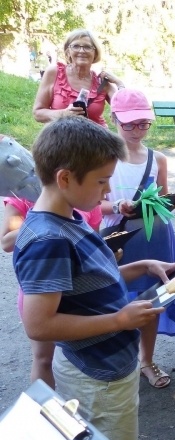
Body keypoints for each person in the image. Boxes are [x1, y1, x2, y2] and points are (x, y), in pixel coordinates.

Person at [13, 116, 175, 440]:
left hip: (104, 365)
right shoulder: (49, 239)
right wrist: (119, 320)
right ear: (64, 178)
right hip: (97, 377)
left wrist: (142, 266)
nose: (107, 190)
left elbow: (90, 278)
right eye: (102, 181)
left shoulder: (68, 219)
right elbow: (39, 325)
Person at [101, 88, 175, 389]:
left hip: (155, 234)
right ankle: (115, 363)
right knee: (111, 299)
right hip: (117, 236)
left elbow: (164, 197)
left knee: (150, 300)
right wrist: (116, 206)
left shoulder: (157, 158)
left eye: (143, 124)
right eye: (130, 124)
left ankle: (147, 361)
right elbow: (87, 202)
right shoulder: (103, 157)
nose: (137, 130)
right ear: (114, 119)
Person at [2, 167, 102, 389]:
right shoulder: (22, 196)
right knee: (44, 358)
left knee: (77, 356)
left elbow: (93, 238)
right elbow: (6, 241)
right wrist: (50, 220)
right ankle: (44, 414)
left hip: (78, 289)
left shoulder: (85, 197)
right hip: (42, 289)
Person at [32, 29, 125, 127]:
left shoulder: (101, 82)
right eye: (76, 46)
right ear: (68, 51)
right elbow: (38, 113)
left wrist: (119, 83)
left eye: (87, 47)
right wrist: (63, 114)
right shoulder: (54, 73)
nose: (82, 51)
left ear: (95, 53)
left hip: (96, 139)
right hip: (60, 139)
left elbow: (126, 108)